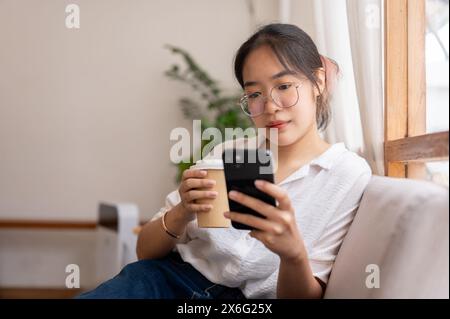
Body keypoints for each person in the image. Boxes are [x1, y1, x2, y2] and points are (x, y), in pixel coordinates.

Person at [78, 23, 371, 299]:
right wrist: (182, 211)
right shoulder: (227, 154)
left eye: (283, 86)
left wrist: (292, 253)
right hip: (166, 281)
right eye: (254, 93)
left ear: (317, 81)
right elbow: (145, 250)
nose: (270, 107)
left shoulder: (347, 173)